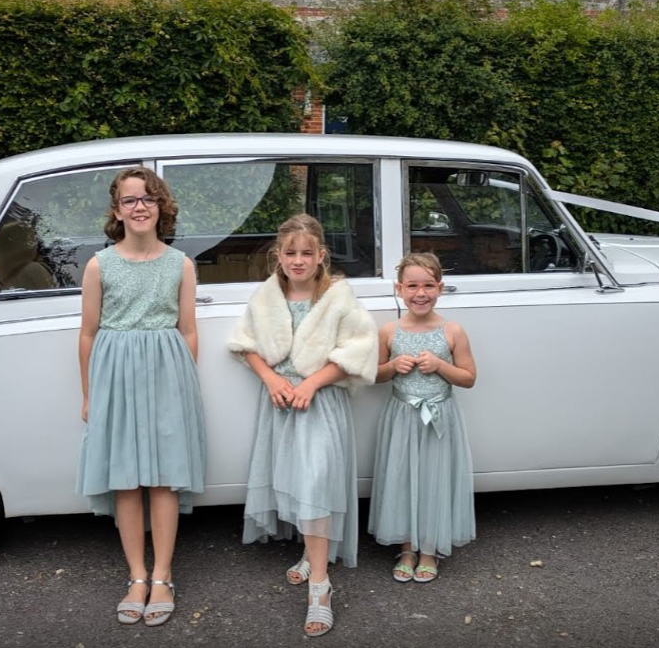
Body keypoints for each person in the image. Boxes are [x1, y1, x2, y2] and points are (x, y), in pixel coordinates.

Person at [226, 213, 377, 637]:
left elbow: (359, 349)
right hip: (280, 402)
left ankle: (320, 588)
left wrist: (311, 381)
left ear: (321, 256)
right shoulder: (266, 296)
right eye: (290, 253)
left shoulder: (338, 298)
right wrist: (272, 377)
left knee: (315, 484)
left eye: (306, 253)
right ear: (278, 256)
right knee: (292, 480)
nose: (298, 260)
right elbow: (245, 344)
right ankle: (314, 554)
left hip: (319, 402)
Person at [76, 167, 206, 627]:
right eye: (130, 200)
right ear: (117, 210)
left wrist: (183, 387)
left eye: (148, 198)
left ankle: (163, 576)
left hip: (166, 375)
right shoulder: (99, 265)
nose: (139, 206)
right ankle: (136, 575)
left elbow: (188, 331)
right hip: (116, 376)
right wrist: (91, 394)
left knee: (165, 477)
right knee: (127, 479)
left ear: (161, 207)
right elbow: (88, 334)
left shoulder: (180, 264)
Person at [368, 252, 477, 583]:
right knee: (402, 478)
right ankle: (406, 547)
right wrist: (391, 367)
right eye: (412, 286)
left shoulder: (453, 331)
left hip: (439, 420)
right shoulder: (388, 331)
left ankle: (429, 549)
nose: (420, 293)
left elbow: (469, 378)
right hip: (402, 417)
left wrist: (441, 367)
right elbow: (373, 375)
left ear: (440, 288)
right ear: (399, 289)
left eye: (428, 285)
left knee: (434, 478)